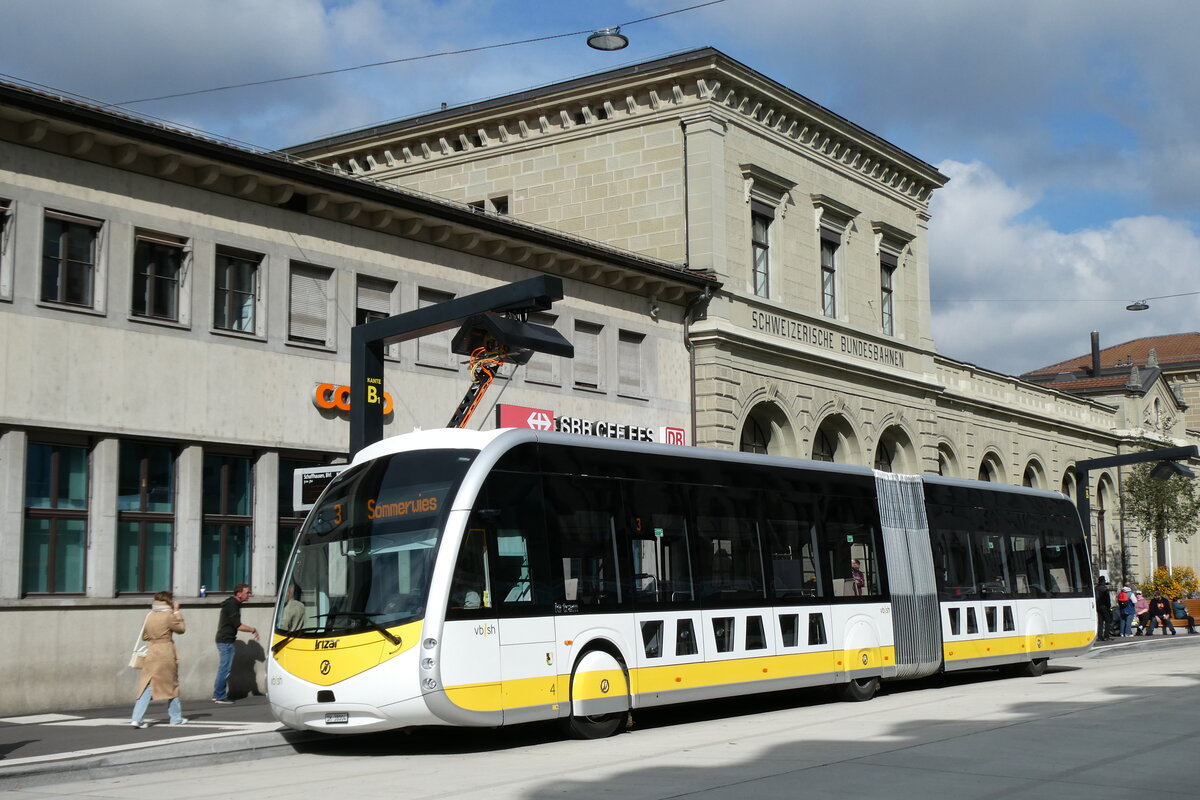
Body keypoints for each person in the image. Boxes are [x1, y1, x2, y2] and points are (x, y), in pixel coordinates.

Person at [131, 591, 187, 728]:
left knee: (146, 685)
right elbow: (181, 629)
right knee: (171, 685)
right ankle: (176, 718)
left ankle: (136, 718)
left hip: (152, 652)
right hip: (166, 652)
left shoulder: (149, 615)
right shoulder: (168, 615)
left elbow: (145, 636)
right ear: (169, 601)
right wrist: (177, 612)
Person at [213, 583, 259, 704]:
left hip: (225, 640)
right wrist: (252, 629)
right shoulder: (233, 605)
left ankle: (217, 694)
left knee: (224, 669)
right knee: (225, 669)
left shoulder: (233, 604)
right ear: (239, 594)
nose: (249, 594)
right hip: (225, 641)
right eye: (247, 592)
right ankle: (219, 696)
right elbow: (238, 626)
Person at [1094, 576, 1112, 640]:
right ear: (1103, 581)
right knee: (1107, 620)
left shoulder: (1096, 588)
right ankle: (1106, 635)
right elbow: (1107, 598)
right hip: (1104, 606)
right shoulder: (1104, 589)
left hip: (1098, 606)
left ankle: (1099, 636)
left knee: (1100, 621)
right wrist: (1109, 606)